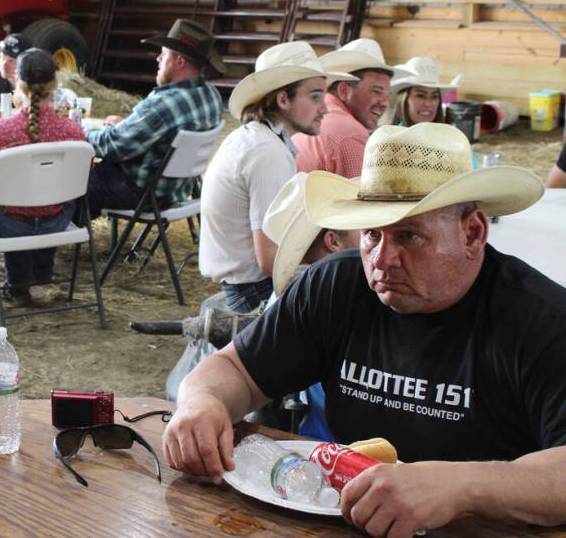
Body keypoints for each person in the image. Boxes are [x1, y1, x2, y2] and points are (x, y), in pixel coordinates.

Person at [164, 123, 566, 536]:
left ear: (472, 232)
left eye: (409, 235)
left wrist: (460, 486)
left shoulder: (542, 320)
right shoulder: (335, 285)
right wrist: (202, 404)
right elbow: (236, 370)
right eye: (372, 234)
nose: (382, 259)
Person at [199, 41, 355, 313]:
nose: (325, 108)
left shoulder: (261, 139)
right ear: (283, 99)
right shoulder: (266, 152)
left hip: (248, 284)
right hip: (253, 292)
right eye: (315, 97)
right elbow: (270, 259)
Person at [0, 49, 86, 303]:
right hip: (56, 220)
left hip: (11, 224)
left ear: (17, 83)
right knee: (51, 201)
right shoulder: (73, 131)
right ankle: (42, 276)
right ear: (55, 84)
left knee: (5, 206)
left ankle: (19, 284)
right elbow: (82, 178)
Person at [84, 19, 223, 219]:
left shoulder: (163, 104)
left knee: (72, 182)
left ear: (179, 61)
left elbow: (113, 146)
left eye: (164, 53)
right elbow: (163, 132)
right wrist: (127, 125)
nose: (158, 58)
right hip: (177, 190)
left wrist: (79, 133)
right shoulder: (211, 96)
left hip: (141, 193)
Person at [259, 172, 360, 440]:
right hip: (342, 450)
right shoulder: (339, 297)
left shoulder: (299, 293)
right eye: (363, 225)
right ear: (333, 241)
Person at [292, 39, 402, 178]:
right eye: (376, 91)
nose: (385, 103)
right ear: (344, 91)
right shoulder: (351, 133)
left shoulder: (311, 115)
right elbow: (360, 197)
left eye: (387, 95)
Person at [386, 56, 461, 126]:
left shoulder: (446, 137)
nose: (428, 103)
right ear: (403, 99)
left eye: (434, 96)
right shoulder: (393, 139)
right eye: (420, 96)